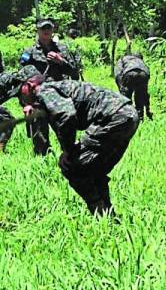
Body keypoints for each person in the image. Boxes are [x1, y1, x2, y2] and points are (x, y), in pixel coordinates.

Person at [18, 71, 139, 219]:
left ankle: (101, 214)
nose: (20, 96)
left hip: (113, 118)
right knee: (94, 168)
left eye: (20, 90)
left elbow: (66, 115)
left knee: (72, 166)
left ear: (30, 86)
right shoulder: (55, 90)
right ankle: (108, 216)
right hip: (129, 116)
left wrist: (68, 150)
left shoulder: (43, 90)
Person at [14, 20, 82, 155]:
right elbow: (21, 79)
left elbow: (75, 74)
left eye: (49, 28)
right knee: (40, 142)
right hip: (37, 99)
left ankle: (70, 163)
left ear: (52, 30)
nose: (46, 31)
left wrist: (61, 61)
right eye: (43, 28)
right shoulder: (29, 52)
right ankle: (43, 166)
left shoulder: (62, 49)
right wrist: (25, 104)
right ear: (37, 31)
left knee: (67, 137)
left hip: (59, 98)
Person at [114, 52, 153, 121]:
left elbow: (118, 75)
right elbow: (145, 94)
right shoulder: (142, 63)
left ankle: (126, 116)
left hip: (130, 73)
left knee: (126, 98)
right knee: (140, 96)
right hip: (144, 74)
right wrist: (148, 110)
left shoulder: (123, 59)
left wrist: (122, 89)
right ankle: (140, 117)